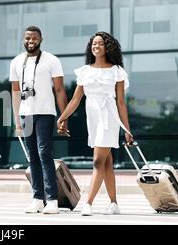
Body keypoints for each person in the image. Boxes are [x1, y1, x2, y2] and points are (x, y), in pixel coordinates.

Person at [56, 31, 134, 216]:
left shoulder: (117, 71)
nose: (95, 46)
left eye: (100, 43)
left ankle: (88, 203)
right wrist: (62, 117)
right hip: (93, 117)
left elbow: (121, 103)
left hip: (109, 117)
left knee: (98, 161)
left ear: (108, 47)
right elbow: (75, 100)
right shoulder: (85, 71)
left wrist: (127, 129)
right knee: (106, 163)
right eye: (93, 43)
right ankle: (114, 204)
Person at [10, 26, 68, 214]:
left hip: (45, 113)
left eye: (34, 37)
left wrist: (64, 116)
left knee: (44, 153)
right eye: (27, 38)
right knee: (32, 156)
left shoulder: (52, 60)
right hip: (26, 114)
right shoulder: (17, 62)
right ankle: (37, 198)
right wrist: (17, 120)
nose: (30, 41)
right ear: (23, 39)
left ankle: (52, 200)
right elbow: (15, 92)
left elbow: (59, 90)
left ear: (41, 39)